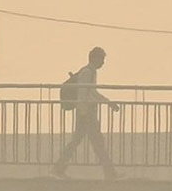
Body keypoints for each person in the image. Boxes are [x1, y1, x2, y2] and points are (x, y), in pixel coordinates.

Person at [50, 47, 120, 180]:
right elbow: (84, 93)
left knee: (79, 141)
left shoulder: (89, 72)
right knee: (97, 142)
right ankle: (110, 173)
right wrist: (85, 111)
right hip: (87, 112)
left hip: (85, 111)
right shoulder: (88, 73)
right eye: (102, 59)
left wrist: (107, 102)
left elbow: (90, 92)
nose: (103, 63)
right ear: (95, 58)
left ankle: (58, 169)